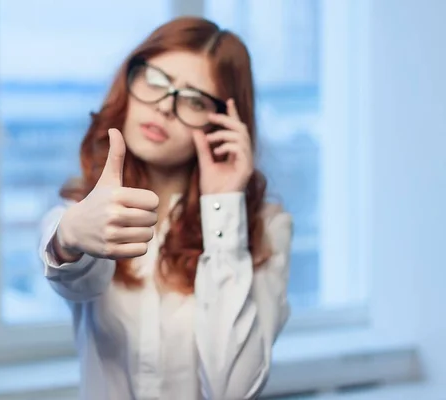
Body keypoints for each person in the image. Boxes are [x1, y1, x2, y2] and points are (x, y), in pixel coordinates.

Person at [38, 16, 293, 400]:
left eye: (193, 100)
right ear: (130, 80)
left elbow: (234, 391)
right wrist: (71, 236)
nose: (164, 108)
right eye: (155, 81)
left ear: (222, 123)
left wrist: (222, 205)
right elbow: (78, 281)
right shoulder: (83, 207)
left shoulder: (266, 230)